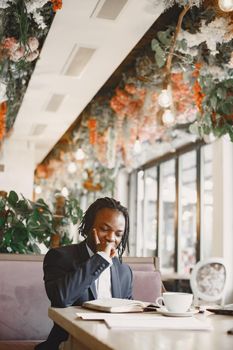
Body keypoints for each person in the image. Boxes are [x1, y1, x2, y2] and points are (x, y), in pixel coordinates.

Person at [35, 197, 132, 350]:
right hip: (68, 344)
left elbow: (128, 314)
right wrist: (100, 259)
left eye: (119, 234)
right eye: (104, 229)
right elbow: (61, 298)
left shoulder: (124, 272)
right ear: (88, 227)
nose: (111, 238)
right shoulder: (60, 257)